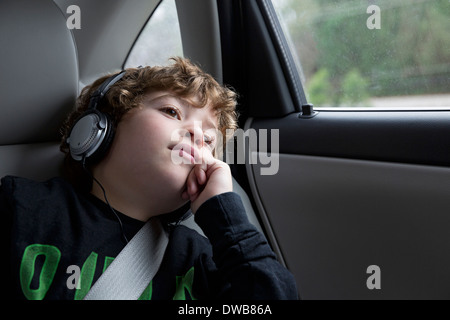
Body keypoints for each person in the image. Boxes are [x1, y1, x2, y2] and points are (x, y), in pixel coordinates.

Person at [3, 57, 298, 300]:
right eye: (171, 111)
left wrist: (226, 217)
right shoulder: (20, 207)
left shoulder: (198, 257)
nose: (198, 135)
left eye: (210, 140)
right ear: (98, 130)